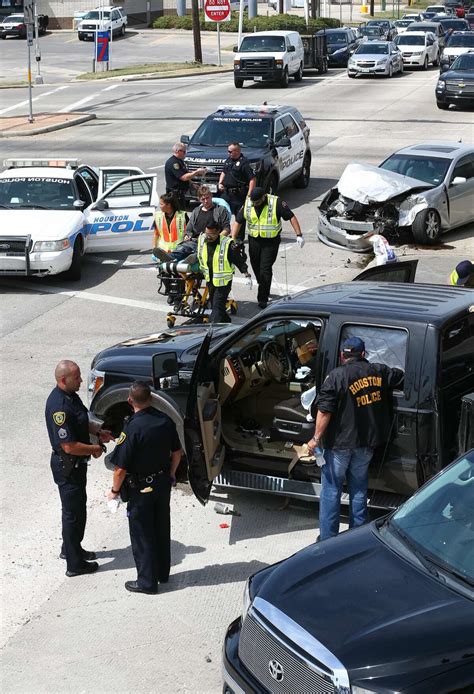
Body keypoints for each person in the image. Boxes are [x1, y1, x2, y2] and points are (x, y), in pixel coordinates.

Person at [307, 337, 404, 541]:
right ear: (363, 353)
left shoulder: (336, 376)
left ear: (343, 355)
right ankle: (356, 536)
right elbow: (399, 375)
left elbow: (324, 411)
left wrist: (315, 439)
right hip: (366, 443)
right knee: (358, 487)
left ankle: (327, 539)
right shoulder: (379, 371)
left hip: (340, 445)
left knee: (331, 490)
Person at [107, 382, 183, 595]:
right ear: (151, 398)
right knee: (161, 527)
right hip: (162, 484)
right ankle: (162, 573)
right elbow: (177, 453)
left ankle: (147, 582)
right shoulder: (165, 420)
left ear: (130, 400)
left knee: (142, 534)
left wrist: (114, 491)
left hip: (141, 489)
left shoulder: (132, 427)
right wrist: (171, 474)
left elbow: (120, 468)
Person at [46, 360, 112, 577]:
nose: (81, 380)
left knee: (77, 510)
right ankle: (74, 565)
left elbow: (81, 421)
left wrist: (99, 431)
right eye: (77, 377)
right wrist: (94, 448)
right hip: (68, 466)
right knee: (72, 514)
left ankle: (71, 548)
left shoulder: (71, 397)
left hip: (76, 465)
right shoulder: (59, 407)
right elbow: (69, 445)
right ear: (64, 380)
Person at [232, 187, 304, 309]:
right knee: (256, 266)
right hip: (254, 240)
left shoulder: (276, 202)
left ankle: (262, 298)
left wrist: (299, 235)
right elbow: (238, 221)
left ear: (264, 197)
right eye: (254, 202)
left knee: (265, 268)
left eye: (258, 202)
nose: (255, 205)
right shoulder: (248, 204)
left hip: (271, 242)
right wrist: (233, 238)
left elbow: (291, 216)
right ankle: (264, 285)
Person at [197, 221, 252, 323]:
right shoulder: (202, 239)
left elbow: (237, 260)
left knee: (217, 308)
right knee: (217, 306)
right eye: (207, 233)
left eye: (211, 234)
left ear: (218, 232)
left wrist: (246, 274)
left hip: (224, 283)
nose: (208, 237)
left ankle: (211, 330)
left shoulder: (226, 244)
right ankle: (227, 322)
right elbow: (200, 256)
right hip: (210, 280)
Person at [218, 142, 256, 237]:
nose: (228, 153)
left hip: (239, 195)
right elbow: (224, 171)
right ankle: (223, 233)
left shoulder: (244, 163)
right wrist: (220, 182)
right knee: (222, 213)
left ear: (237, 151)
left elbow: (252, 179)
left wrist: (249, 195)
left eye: (230, 151)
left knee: (240, 216)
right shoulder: (228, 160)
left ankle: (238, 237)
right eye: (228, 151)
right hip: (227, 193)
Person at [165, 142, 206, 208]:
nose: (185, 153)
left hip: (180, 193)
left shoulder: (180, 161)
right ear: (178, 151)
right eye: (184, 152)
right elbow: (183, 177)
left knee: (182, 213)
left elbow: (184, 173)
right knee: (179, 214)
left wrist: (192, 184)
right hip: (175, 194)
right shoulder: (173, 163)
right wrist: (196, 172)